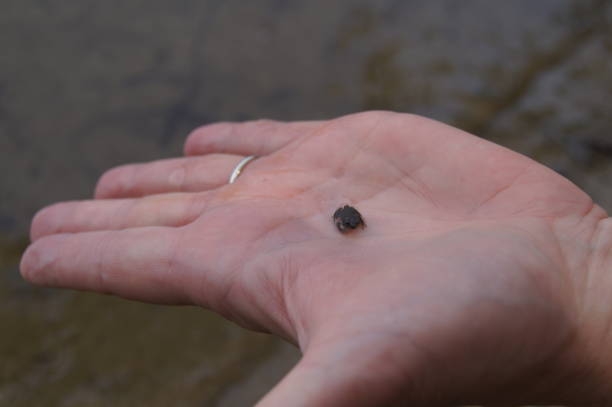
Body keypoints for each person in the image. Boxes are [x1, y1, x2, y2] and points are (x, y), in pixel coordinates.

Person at [20, 111, 612, 406]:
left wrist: (583, 296)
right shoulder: (345, 215)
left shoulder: (351, 221)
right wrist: (586, 284)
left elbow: (349, 221)